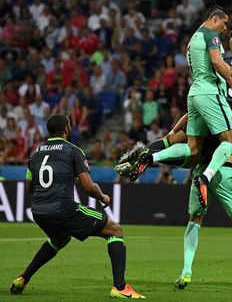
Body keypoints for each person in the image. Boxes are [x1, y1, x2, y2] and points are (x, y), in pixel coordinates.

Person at [116, 28, 232, 291]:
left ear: (231, 44)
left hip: (202, 118)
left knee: (190, 166)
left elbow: (194, 107)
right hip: (224, 154)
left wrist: (173, 131)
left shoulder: (218, 61)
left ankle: (186, 272)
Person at [127, 6, 232, 209]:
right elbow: (219, 64)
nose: (225, 29)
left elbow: (221, 67)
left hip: (194, 94)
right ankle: (206, 178)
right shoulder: (211, 35)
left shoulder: (195, 38)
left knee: (193, 149)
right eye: (224, 23)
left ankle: (150, 156)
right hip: (210, 93)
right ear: (215, 18)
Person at [9, 114, 144, 298]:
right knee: (115, 230)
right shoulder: (73, 150)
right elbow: (88, 187)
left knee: (61, 239)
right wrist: (102, 197)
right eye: (70, 126)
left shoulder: (35, 152)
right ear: (66, 129)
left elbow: (29, 187)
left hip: (38, 211)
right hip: (63, 209)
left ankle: (23, 279)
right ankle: (120, 288)